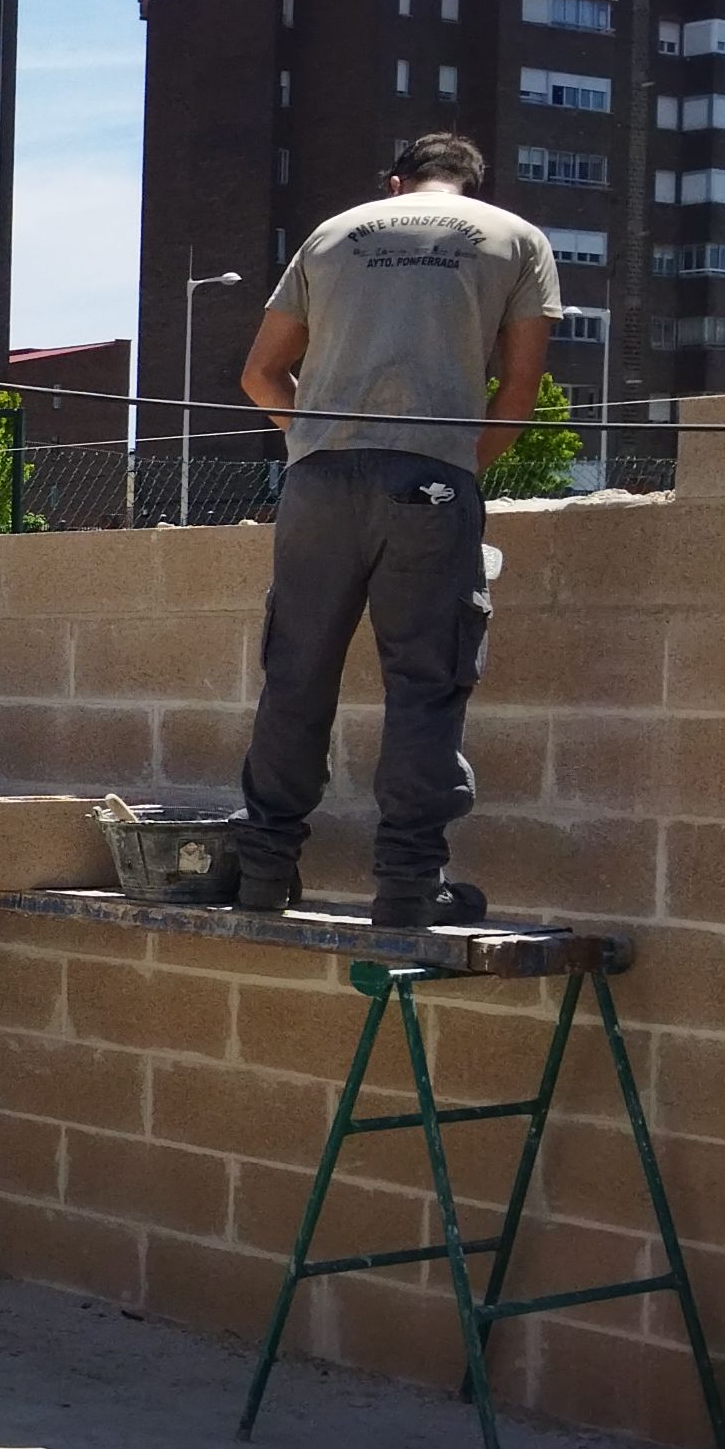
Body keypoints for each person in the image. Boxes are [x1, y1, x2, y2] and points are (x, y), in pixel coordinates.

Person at [230, 129, 557, 929]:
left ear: (396, 183)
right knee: (426, 683)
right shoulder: (516, 239)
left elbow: (258, 372)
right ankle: (409, 887)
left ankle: (266, 872)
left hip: (315, 485)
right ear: (471, 189)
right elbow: (518, 391)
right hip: (430, 482)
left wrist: (310, 440)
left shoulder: (334, 233)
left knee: (296, 676)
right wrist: (453, 464)